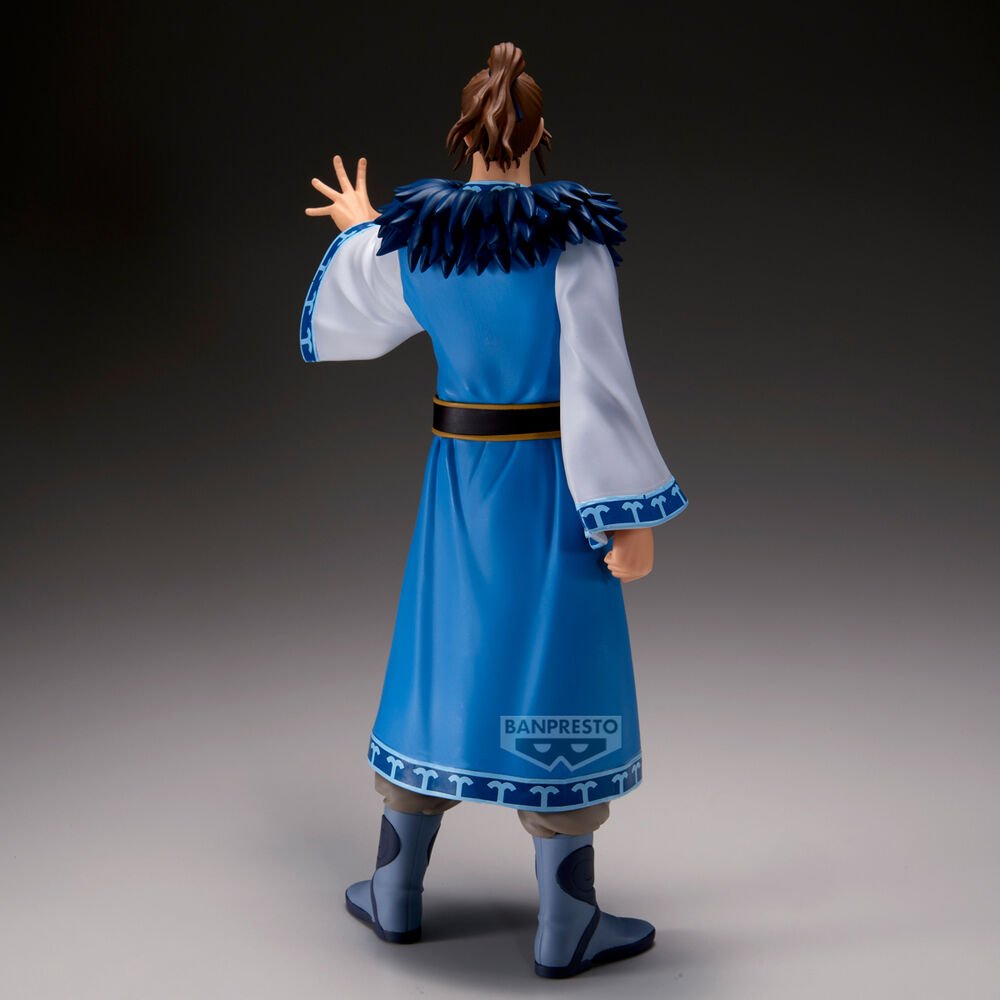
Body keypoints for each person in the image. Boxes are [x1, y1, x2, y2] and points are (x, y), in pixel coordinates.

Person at [300, 41, 688, 979]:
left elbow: (368, 293)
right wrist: (627, 511)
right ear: (539, 135)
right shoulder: (569, 241)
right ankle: (567, 922)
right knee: (554, 668)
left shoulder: (420, 238)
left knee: (443, 651)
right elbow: (599, 383)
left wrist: (360, 224)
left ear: (462, 136)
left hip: (459, 485)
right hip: (549, 486)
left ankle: (395, 892)